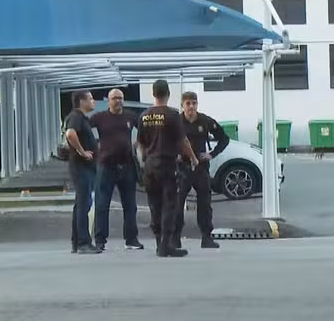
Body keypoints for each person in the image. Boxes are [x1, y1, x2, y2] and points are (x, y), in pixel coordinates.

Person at [136, 80, 199, 258]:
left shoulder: (144, 116)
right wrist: (193, 158)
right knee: (169, 205)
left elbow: (140, 143)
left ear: (153, 94)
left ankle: (159, 243)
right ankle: (166, 245)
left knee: (154, 205)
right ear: (168, 94)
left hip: (150, 165)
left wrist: (144, 160)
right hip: (167, 164)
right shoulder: (172, 115)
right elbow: (182, 141)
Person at [90, 88, 145, 251]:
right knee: (102, 204)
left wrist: (138, 144)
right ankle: (100, 240)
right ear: (109, 100)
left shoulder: (130, 116)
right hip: (106, 166)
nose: (118, 101)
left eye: (120, 98)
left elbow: (144, 131)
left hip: (127, 165)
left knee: (130, 205)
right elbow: (84, 130)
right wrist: (92, 147)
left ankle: (131, 239)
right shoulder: (99, 117)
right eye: (115, 98)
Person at [174, 91, 230, 250]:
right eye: (188, 103)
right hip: (182, 168)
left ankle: (206, 237)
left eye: (194, 103)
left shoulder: (205, 120)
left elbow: (224, 139)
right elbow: (166, 140)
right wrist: (175, 154)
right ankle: (175, 237)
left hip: (200, 167)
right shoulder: (176, 121)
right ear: (182, 105)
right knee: (177, 203)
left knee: (205, 204)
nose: (191, 107)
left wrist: (212, 154)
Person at [64, 90, 102, 255]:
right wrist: (82, 151)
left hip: (86, 168)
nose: (93, 102)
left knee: (81, 204)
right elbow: (70, 133)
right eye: (91, 99)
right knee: (84, 204)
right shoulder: (76, 117)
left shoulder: (81, 118)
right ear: (82, 101)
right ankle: (83, 242)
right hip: (81, 167)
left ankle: (77, 241)